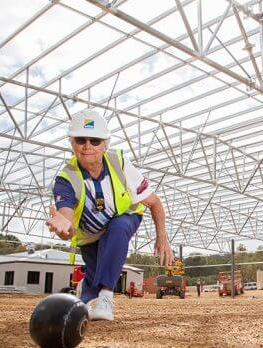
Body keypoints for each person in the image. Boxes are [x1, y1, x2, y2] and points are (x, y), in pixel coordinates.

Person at [46, 109, 173, 321]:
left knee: (120, 226)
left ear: (105, 144)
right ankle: (87, 290)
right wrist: (63, 229)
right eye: (80, 140)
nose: (87, 146)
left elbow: (155, 203)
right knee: (92, 285)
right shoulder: (65, 179)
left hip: (123, 219)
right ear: (71, 143)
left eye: (95, 140)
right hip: (91, 236)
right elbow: (66, 223)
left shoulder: (119, 163)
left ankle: (106, 297)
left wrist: (162, 239)